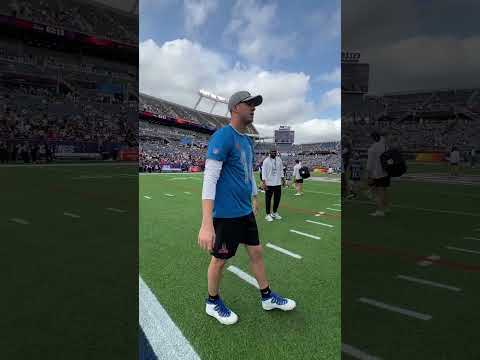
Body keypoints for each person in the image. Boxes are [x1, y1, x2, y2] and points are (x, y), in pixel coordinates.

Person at [198, 90, 296, 326]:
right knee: (220, 260)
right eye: (249, 104)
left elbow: (247, 171)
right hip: (226, 214)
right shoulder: (222, 137)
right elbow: (209, 179)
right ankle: (212, 301)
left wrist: (253, 195)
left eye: (254, 104)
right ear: (234, 108)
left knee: (256, 253)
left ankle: (267, 297)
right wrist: (206, 223)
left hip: (244, 211)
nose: (253, 108)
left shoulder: (246, 140)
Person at [367, 131, 390, 216]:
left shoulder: (373, 148)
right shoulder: (385, 146)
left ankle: (380, 210)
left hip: (377, 173)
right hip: (386, 171)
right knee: (384, 190)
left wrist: (369, 175)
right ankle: (386, 207)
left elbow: (370, 164)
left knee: (377, 192)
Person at [261, 149, 285, 222]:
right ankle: (267, 214)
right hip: (269, 183)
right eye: (272, 152)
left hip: (277, 183)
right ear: (269, 152)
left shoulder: (279, 160)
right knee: (268, 200)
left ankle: (274, 212)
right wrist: (264, 183)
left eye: (275, 152)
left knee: (277, 199)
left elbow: (281, 170)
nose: (274, 153)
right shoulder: (266, 161)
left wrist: (283, 180)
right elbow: (263, 172)